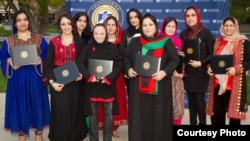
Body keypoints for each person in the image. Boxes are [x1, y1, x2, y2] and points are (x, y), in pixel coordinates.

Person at [124, 13, 179, 141]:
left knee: (158, 118)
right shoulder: (135, 41)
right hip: (138, 89)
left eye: (150, 24)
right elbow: (126, 58)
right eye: (144, 25)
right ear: (141, 27)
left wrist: (164, 72)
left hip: (159, 88)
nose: (147, 27)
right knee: (140, 118)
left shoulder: (165, 41)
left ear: (155, 26)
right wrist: (129, 69)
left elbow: (174, 60)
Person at [0, 9, 50, 141]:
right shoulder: (9, 40)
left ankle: (38, 136)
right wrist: (9, 61)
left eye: (25, 19)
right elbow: (3, 57)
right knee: (20, 107)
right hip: (18, 80)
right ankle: (22, 136)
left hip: (35, 79)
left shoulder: (39, 38)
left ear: (29, 21)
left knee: (36, 106)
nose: (22, 23)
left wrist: (40, 60)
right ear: (15, 24)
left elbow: (48, 55)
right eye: (19, 20)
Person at [42, 13, 88, 141]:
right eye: (63, 24)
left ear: (72, 25)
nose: (66, 27)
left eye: (68, 23)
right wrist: (52, 83)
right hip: (59, 83)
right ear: (59, 26)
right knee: (61, 112)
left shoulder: (79, 41)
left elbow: (84, 62)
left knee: (75, 112)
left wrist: (81, 74)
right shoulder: (54, 42)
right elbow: (48, 65)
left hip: (75, 82)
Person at [78, 23, 123, 141]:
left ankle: (107, 139)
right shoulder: (88, 48)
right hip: (92, 86)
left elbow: (119, 64)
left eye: (102, 33)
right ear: (93, 34)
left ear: (106, 34)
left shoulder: (113, 48)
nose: (99, 36)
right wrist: (89, 76)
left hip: (107, 86)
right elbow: (80, 63)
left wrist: (109, 78)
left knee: (108, 117)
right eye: (96, 33)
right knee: (93, 117)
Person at [206, 15, 250, 125]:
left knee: (234, 118)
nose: (228, 28)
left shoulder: (243, 42)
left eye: (231, 26)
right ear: (222, 27)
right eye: (226, 26)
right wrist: (209, 68)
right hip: (218, 85)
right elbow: (211, 59)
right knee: (217, 114)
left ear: (235, 27)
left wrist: (236, 69)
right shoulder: (217, 42)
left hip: (235, 84)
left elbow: (248, 62)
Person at [179, 6, 215, 125]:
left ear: (198, 16)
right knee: (191, 102)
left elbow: (212, 54)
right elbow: (181, 54)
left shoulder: (206, 33)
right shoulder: (184, 34)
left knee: (200, 101)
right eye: (188, 16)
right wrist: (180, 54)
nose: (190, 18)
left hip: (201, 73)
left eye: (193, 15)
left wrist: (201, 63)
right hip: (188, 74)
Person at [99, 15, 128, 138]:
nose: (110, 27)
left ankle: (114, 127)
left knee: (117, 101)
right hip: (103, 76)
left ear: (117, 27)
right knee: (103, 102)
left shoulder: (122, 41)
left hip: (117, 77)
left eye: (113, 25)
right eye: (108, 25)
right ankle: (105, 126)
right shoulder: (100, 40)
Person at [160, 17, 185, 125]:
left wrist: (182, 74)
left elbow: (185, 61)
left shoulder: (179, 42)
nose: (171, 29)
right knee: (163, 105)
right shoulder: (158, 41)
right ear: (164, 27)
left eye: (173, 26)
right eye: (168, 26)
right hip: (162, 77)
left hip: (176, 78)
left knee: (176, 105)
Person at [121, 8, 142, 96]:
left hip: (144, 68)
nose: (133, 20)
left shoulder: (146, 31)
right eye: (131, 18)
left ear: (140, 17)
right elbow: (122, 50)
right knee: (132, 96)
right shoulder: (125, 33)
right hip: (130, 69)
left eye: (135, 17)